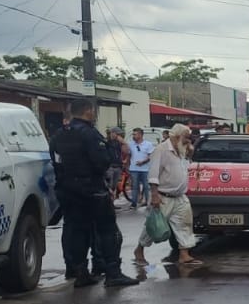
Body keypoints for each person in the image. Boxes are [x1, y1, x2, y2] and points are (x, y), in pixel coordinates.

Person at [49, 97, 138, 288]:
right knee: (107, 230)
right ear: (88, 111)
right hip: (92, 190)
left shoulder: (59, 135)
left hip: (67, 190)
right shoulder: (89, 134)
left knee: (77, 231)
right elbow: (102, 161)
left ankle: (81, 272)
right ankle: (113, 273)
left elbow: (55, 161)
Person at [133, 124, 202, 267]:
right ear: (177, 136)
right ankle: (139, 250)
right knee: (154, 227)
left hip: (180, 196)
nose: (188, 140)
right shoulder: (161, 149)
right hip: (163, 196)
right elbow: (153, 174)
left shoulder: (182, 149)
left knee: (184, 224)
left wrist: (190, 150)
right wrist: (154, 195)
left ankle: (184, 254)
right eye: (186, 137)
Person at [127, 127, 154, 209]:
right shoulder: (131, 144)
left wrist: (143, 162)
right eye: (133, 134)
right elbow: (129, 155)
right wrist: (127, 165)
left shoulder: (148, 144)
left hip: (145, 169)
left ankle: (148, 202)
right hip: (134, 169)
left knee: (146, 186)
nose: (133, 136)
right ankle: (134, 203)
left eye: (135, 134)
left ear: (140, 135)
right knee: (134, 186)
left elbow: (151, 156)